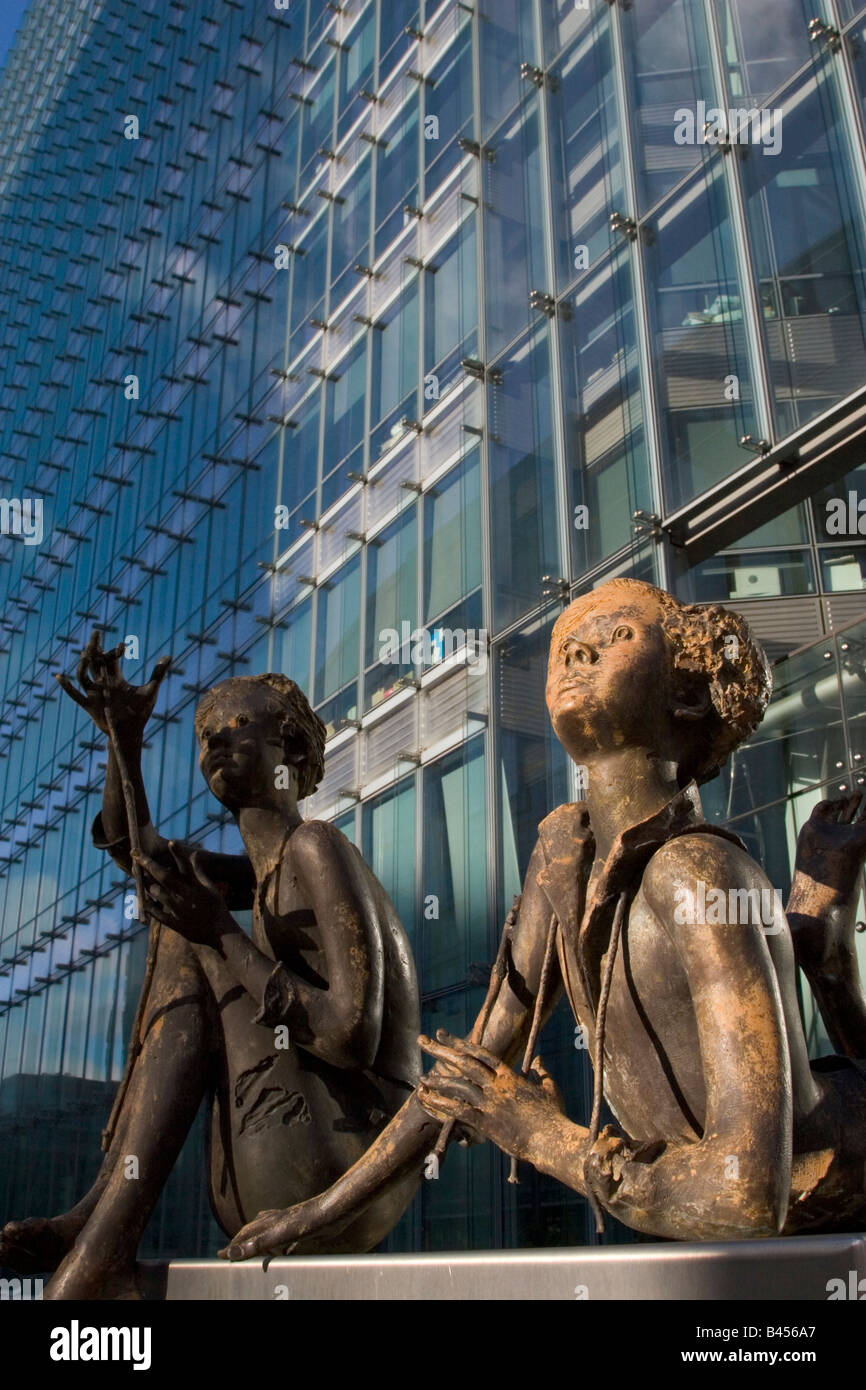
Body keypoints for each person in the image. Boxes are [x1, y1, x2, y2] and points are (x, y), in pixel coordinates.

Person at [219, 577, 866, 1259]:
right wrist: (315, 1212)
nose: (579, 650)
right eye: (566, 642)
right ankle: (817, 940)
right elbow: (465, 1077)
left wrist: (536, 1134)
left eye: (617, 635)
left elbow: (746, 1195)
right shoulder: (564, 859)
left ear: (684, 691)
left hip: (829, 1179)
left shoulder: (697, 872)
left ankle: (817, 938)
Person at [0, 636, 421, 1298]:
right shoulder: (248, 881)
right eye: (203, 738)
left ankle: (104, 1235)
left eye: (237, 728)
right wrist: (124, 746)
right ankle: (102, 1221)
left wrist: (220, 933)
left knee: (190, 927)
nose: (214, 746)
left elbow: (351, 1034)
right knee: (185, 909)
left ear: (293, 748)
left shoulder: (315, 847)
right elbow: (142, 860)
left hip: (345, 1171)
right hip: (274, 1171)